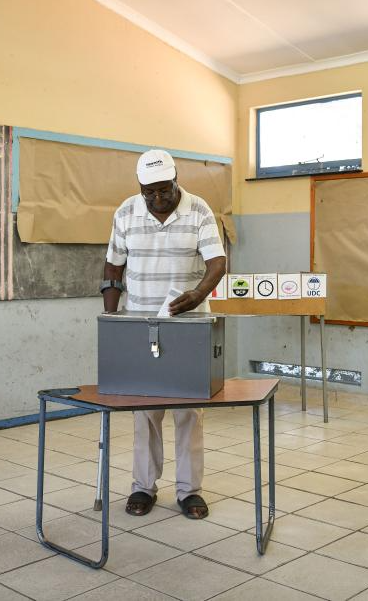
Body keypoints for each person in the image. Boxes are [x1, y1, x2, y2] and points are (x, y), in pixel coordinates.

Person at [102, 150, 226, 519]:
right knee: (146, 411)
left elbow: (217, 262)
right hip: (141, 325)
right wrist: (111, 319)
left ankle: (190, 491)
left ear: (176, 180)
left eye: (164, 190)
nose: (157, 198)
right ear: (140, 188)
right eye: (149, 192)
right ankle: (143, 487)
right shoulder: (126, 212)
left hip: (189, 325)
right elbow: (113, 267)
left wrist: (198, 295)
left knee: (189, 413)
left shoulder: (199, 209)